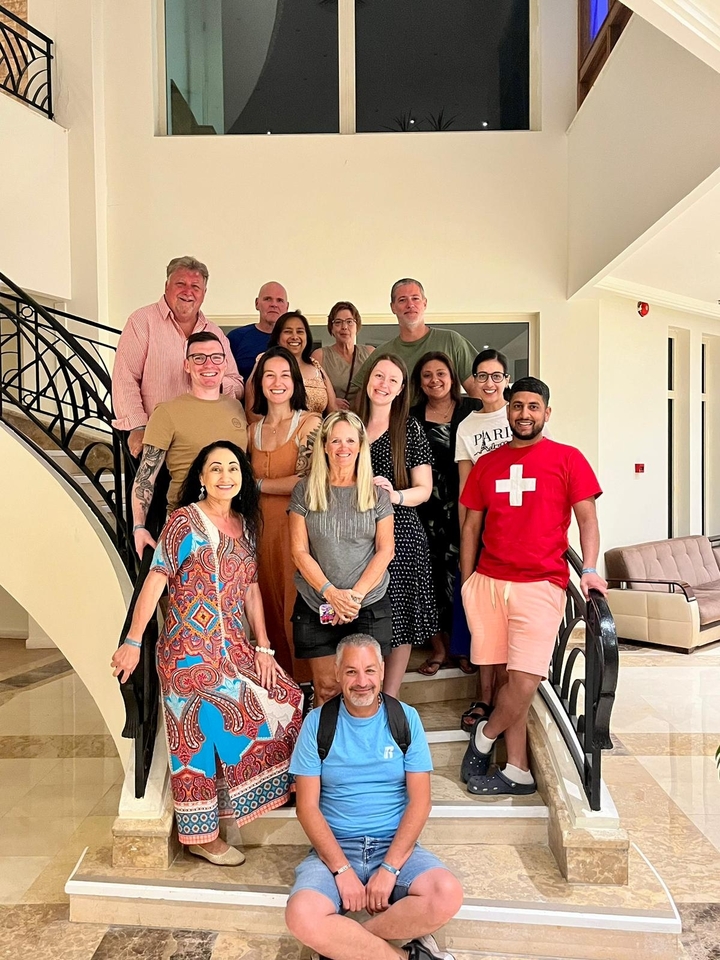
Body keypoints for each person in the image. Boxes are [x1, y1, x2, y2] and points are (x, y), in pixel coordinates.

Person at [111, 441, 304, 863]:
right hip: (187, 652)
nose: (224, 476)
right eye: (214, 468)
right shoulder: (183, 522)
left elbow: (251, 589)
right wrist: (131, 641)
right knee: (219, 711)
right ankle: (199, 835)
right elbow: (156, 580)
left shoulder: (245, 524)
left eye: (232, 468)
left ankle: (242, 798)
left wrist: (265, 647)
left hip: (233, 645)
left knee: (287, 697)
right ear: (200, 477)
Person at [459, 377, 608, 796]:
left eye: (533, 407)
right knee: (508, 679)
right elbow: (471, 524)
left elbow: (588, 519)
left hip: (541, 584)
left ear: (546, 412)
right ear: (508, 410)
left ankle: (485, 736)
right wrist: (469, 580)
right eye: (517, 406)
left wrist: (590, 568)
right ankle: (518, 771)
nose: (524, 414)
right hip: (489, 583)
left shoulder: (567, 458)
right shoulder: (488, 463)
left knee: (525, 680)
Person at [285, 634, 464, 960]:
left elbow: (420, 802)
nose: (362, 681)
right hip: (336, 849)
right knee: (301, 915)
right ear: (338, 673)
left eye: (370, 670)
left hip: (394, 846)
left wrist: (390, 869)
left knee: (447, 894)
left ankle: (348, 946)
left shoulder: (405, 719)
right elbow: (307, 808)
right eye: (351, 672)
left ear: (382, 671)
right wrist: (341, 870)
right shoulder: (317, 724)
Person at [289, 411, 395, 705]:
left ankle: (364, 751)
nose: (343, 447)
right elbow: (299, 551)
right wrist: (330, 593)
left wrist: (353, 598)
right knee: (326, 689)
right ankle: (327, 750)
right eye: (335, 440)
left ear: (361, 445)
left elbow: (386, 550)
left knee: (367, 691)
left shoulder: (377, 495)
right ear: (324, 445)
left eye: (350, 440)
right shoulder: (304, 491)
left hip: (368, 603)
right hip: (316, 603)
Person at [357, 354, 437, 698]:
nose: (384, 384)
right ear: (368, 379)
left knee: (400, 616)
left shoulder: (410, 428)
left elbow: (425, 488)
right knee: (362, 614)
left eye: (393, 379)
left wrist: (396, 496)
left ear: (402, 389)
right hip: (355, 533)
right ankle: (363, 693)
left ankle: (388, 699)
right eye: (379, 376)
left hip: (401, 532)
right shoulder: (348, 425)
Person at [131, 331, 248, 557]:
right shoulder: (167, 412)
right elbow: (146, 476)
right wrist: (139, 526)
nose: (208, 364)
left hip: (235, 524)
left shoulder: (236, 408)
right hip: (186, 526)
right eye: (199, 358)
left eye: (215, 357)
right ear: (187, 365)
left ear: (225, 364)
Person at [112, 256, 243, 458]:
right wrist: (137, 427)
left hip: (206, 441)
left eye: (195, 287)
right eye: (180, 284)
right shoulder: (142, 321)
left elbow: (236, 383)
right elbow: (125, 378)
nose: (188, 292)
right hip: (157, 441)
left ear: (204, 293)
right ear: (166, 286)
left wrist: (212, 381)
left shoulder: (215, 333)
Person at [248, 346, 322, 679]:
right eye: (269, 375)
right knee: (268, 618)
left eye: (284, 375)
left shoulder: (310, 422)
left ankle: (311, 695)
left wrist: (257, 484)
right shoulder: (251, 430)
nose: (277, 382)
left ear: (295, 381)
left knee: (298, 617)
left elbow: (307, 481)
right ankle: (281, 699)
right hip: (260, 535)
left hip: (298, 532)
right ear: (260, 383)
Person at [409, 353, 481, 676]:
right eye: (427, 375)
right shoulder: (411, 416)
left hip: (467, 506)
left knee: (464, 577)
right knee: (431, 578)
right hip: (426, 508)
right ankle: (438, 647)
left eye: (441, 373)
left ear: (452, 376)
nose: (434, 380)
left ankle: (463, 648)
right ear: (419, 382)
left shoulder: (471, 410)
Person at [454, 349, 513, 727]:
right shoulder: (467, 426)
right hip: (486, 534)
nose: (489, 383)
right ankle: (485, 696)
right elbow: (465, 490)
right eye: (482, 376)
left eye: (496, 376)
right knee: (486, 624)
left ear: (506, 379)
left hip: (520, 533)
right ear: (473, 381)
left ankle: (511, 700)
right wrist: (466, 546)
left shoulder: (523, 414)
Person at [348, 279, 477, 404]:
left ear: (425, 303)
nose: (410, 305)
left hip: (449, 425)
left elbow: (477, 390)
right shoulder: (382, 354)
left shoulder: (451, 341)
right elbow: (357, 398)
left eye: (415, 298)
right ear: (393, 307)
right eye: (402, 300)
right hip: (399, 425)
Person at [245, 311, 337, 419]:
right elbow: (251, 413)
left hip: (317, 433)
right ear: (277, 337)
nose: (295, 336)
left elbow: (333, 410)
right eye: (288, 331)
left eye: (300, 331)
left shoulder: (316, 366)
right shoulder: (264, 362)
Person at [311, 301, 375, 410]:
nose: (344, 327)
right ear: (331, 328)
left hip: (364, 420)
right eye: (338, 322)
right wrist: (330, 401)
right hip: (334, 419)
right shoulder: (320, 356)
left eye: (349, 321)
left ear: (357, 325)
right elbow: (312, 393)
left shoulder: (370, 353)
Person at [228, 281, 289, 383]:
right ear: (257, 303)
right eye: (268, 299)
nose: (274, 304)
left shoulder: (293, 341)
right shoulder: (236, 338)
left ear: (287, 307)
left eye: (279, 300)